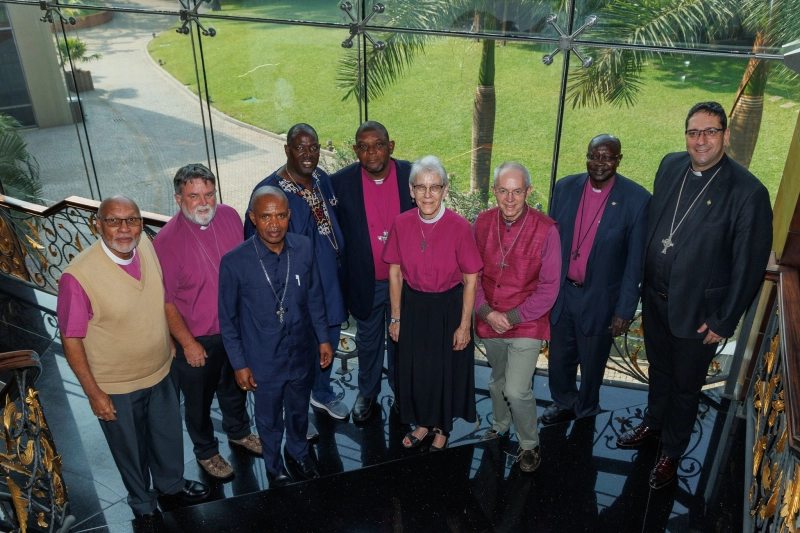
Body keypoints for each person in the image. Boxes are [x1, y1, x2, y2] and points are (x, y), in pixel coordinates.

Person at [617, 102, 772, 489]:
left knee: (685, 389)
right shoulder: (671, 166)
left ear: (725, 135)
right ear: (685, 136)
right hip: (655, 301)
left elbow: (748, 266)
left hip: (699, 313)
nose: (701, 140)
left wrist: (724, 320)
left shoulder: (747, 192)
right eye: (693, 132)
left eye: (710, 132)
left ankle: (672, 450)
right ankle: (653, 424)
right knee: (659, 372)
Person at [57, 196, 209, 518]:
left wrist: (171, 340)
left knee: (168, 437)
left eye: (133, 220)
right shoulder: (78, 277)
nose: (125, 229)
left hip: (161, 371)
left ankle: (172, 487)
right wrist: (94, 393)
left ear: (141, 223)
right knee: (132, 451)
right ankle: (143, 505)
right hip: (117, 386)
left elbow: (159, 300)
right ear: (97, 224)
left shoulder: (147, 247)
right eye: (114, 221)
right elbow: (71, 341)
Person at [219, 186, 333, 487]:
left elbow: (315, 297)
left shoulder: (304, 247)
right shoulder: (235, 261)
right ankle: (274, 465)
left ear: (289, 216)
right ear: (253, 218)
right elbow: (228, 320)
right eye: (266, 216)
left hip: (301, 351)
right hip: (262, 359)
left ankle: (298, 453)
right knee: (268, 420)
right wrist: (239, 364)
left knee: (298, 411)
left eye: (281, 216)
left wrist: (323, 338)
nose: (274, 224)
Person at [153, 164, 261, 481]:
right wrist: (187, 343)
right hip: (197, 338)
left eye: (209, 193)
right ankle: (206, 451)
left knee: (235, 387)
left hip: (234, 329)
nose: (204, 202)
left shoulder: (228, 216)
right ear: (178, 199)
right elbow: (165, 300)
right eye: (194, 196)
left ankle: (239, 432)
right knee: (199, 402)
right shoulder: (167, 241)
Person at [245, 124, 349, 426]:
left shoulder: (320, 179)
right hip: (295, 295)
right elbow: (256, 248)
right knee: (298, 353)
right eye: (300, 147)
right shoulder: (272, 192)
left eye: (313, 147)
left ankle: (322, 392)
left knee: (327, 340)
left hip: (330, 285)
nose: (308, 153)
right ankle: (296, 416)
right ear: (287, 149)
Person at [545, 134, 651, 424]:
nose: (599, 163)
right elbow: (550, 243)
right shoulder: (565, 187)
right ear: (587, 156)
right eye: (594, 155)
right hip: (563, 294)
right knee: (559, 358)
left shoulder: (637, 200)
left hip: (602, 300)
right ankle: (563, 401)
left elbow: (635, 263)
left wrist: (624, 310)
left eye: (607, 157)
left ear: (619, 159)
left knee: (592, 364)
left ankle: (587, 410)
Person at [383, 155, 483, 451]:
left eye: (435, 187)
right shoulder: (401, 223)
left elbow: (471, 279)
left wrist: (464, 325)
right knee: (418, 370)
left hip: (448, 309)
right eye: (421, 187)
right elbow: (394, 272)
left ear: (445, 190)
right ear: (411, 191)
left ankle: (441, 427)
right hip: (413, 307)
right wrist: (396, 317)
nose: (428, 195)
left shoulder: (459, 226)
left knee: (444, 370)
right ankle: (424, 423)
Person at [472, 162, 561, 473]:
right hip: (488, 317)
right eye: (503, 191)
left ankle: (529, 444)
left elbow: (549, 289)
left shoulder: (547, 229)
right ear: (495, 191)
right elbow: (472, 274)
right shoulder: (481, 222)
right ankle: (500, 424)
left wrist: (508, 317)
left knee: (515, 389)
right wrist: (486, 312)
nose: (510, 199)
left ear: (529, 192)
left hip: (528, 321)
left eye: (517, 191)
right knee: (497, 382)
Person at [331, 121, 415, 422]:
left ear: (391, 146)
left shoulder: (412, 175)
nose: (371, 152)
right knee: (367, 341)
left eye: (378, 144)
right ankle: (367, 393)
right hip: (366, 281)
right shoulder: (339, 183)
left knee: (402, 339)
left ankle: (401, 392)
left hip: (406, 282)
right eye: (363, 146)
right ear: (355, 150)